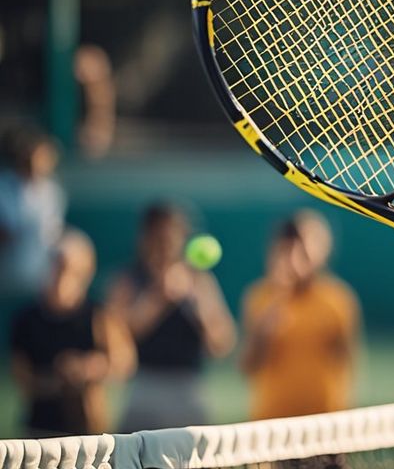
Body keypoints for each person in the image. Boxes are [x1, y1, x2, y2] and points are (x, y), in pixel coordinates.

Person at [107, 202, 236, 431]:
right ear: (146, 237)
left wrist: (199, 305)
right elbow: (117, 334)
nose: (166, 242)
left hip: (188, 387)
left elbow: (222, 344)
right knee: (129, 465)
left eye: (174, 234)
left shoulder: (200, 280)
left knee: (198, 464)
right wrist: (158, 297)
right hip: (145, 385)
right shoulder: (129, 278)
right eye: (160, 234)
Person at [10, 229, 135, 437]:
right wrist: (58, 379)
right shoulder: (26, 319)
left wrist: (88, 368)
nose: (60, 275)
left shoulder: (99, 315)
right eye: (55, 266)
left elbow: (124, 363)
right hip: (39, 430)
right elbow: (22, 377)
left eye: (69, 269)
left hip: (90, 431)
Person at [240, 210, 361, 420]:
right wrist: (265, 328)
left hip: (325, 426)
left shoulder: (337, 299)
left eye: (304, 245)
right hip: (272, 426)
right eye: (288, 247)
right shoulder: (260, 297)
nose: (296, 255)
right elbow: (249, 366)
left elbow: (348, 361)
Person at [0, 126, 66, 307]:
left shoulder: (53, 191)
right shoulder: (3, 187)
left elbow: (54, 234)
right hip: (7, 281)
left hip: (40, 283)